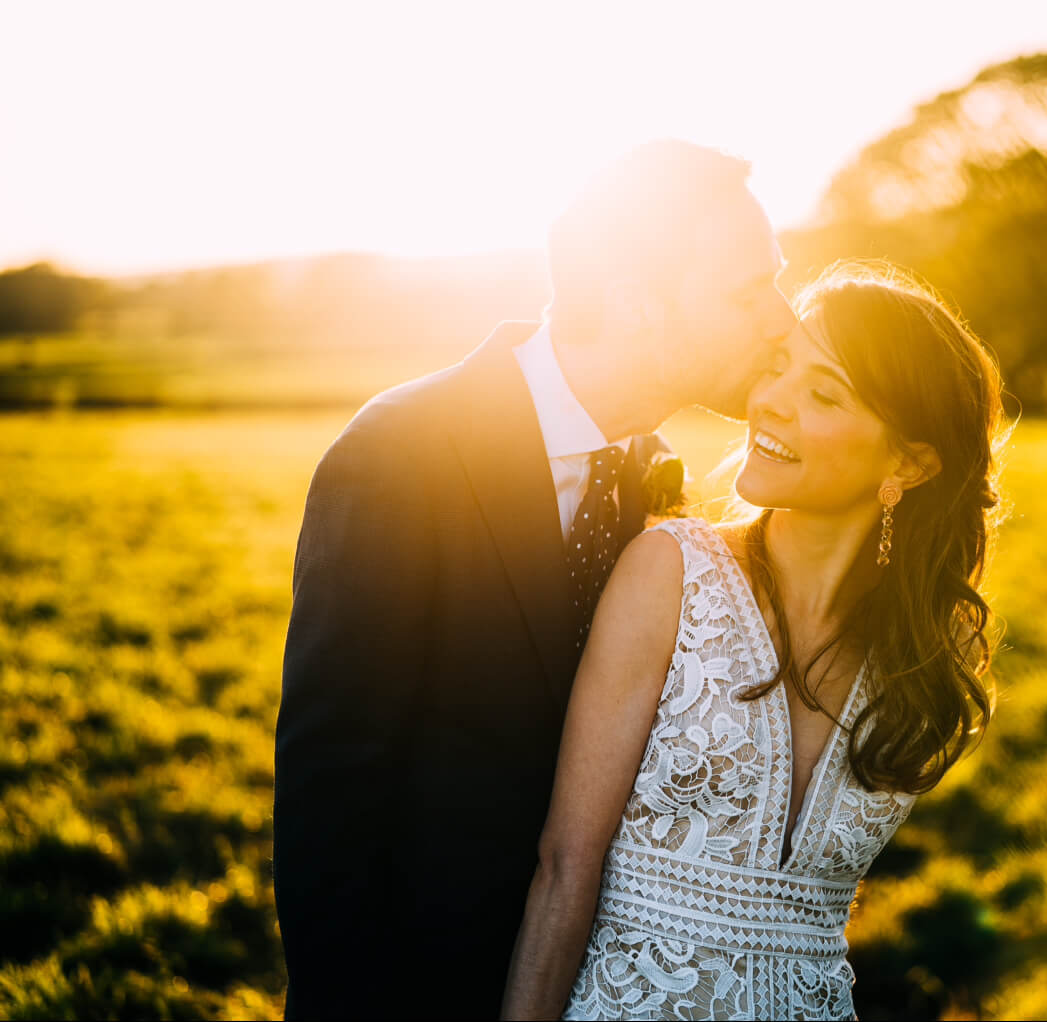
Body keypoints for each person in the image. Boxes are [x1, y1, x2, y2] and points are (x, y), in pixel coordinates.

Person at [272, 140, 795, 1019]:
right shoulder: (402, 454)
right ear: (637, 304)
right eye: (749, 292)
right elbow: (333, 787)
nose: (781, 319)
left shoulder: (657, 476)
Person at [501, 260, 1004, 1020]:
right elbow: (566, 867)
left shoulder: (919, 658)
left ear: (909, 462)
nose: (769, 403)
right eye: (778, 368)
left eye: (822, 394)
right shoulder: (668, 573)